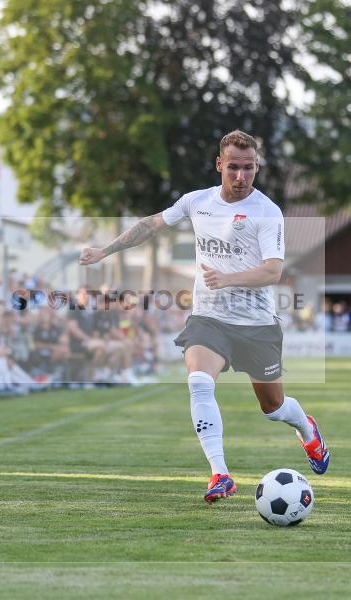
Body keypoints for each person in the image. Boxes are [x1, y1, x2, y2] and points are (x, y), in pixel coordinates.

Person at [79, 130, 329, 503]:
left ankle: (306, 428)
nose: (241, 176)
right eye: (234, 168)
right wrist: (106, 250)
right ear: (219, 165)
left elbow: (272, 272)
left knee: (273, 409)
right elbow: (150, 224)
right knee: (198, 381)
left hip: (256, 325)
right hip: (208, 319)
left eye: (249, 168)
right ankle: (220, 474)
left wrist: (226, 279)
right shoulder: (197, 202)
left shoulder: (267, 211)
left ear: (257, 166)